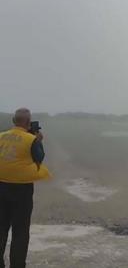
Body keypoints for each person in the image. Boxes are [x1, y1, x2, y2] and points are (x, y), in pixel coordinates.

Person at [0, 108, 51, 268]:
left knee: (0, 229)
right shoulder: (31, 139)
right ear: (28, 123)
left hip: (1, 187)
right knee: (20, 231)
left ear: (14, 121)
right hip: (21, 190)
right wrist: (39, 141)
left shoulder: (1, 136)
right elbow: (39, 158)